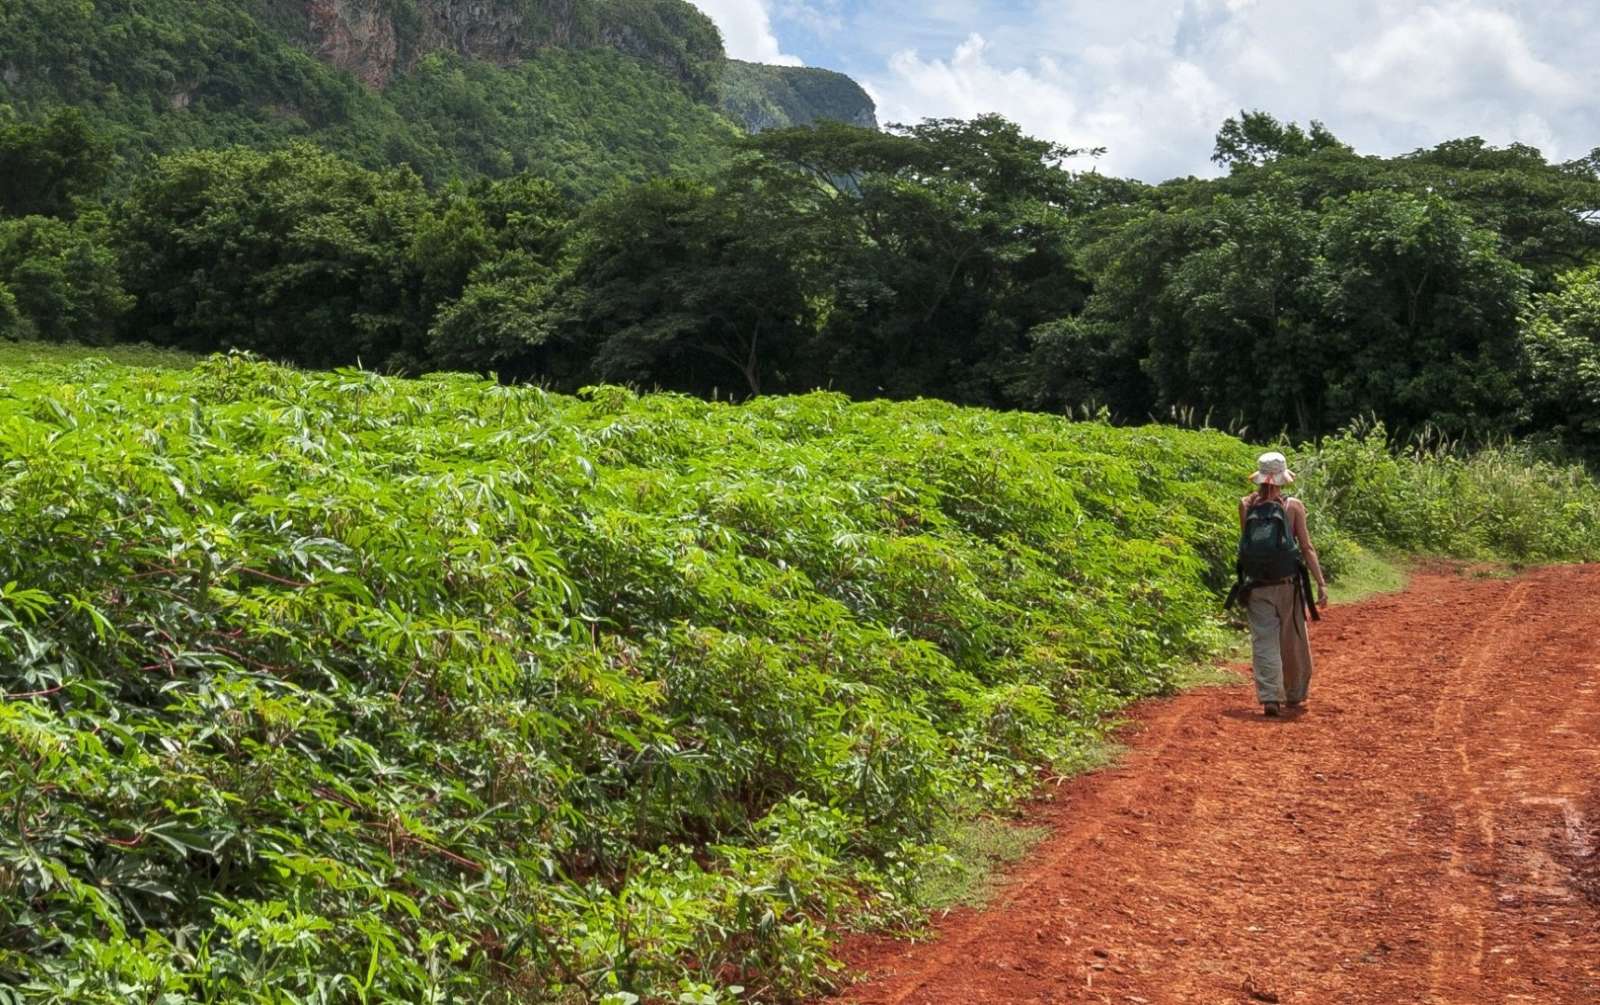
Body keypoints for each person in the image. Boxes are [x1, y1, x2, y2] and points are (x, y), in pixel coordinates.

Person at [1238, 452, 1327, 717]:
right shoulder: (1293, 506)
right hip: (1288, 584)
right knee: (1293, 639)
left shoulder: (1245, 505)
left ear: (1260, 476)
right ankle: (1294, 693)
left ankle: (1269, 698)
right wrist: (1320, 583)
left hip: (1256, 585)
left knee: (1264, 641)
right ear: (1282, 477)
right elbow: (1307, 548)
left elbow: (1247, 545)